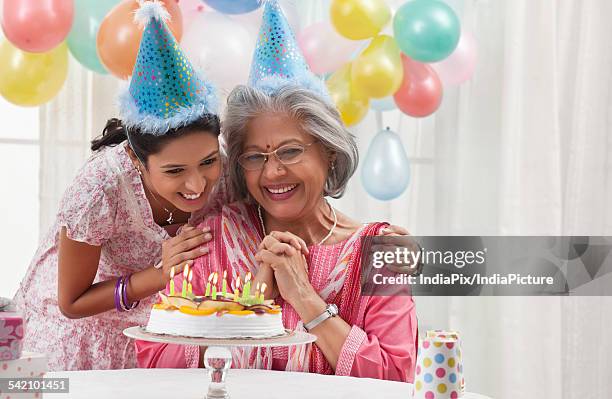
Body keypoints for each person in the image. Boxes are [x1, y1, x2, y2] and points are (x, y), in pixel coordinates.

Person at [136, 1, 418, 381]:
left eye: (289, 151)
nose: (272, 172)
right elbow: (153, 360)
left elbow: (397, 379)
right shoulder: (213, 238)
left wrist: (305, 299)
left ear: (329, 151)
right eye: (254, 157)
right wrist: (248, 307)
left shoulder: (380, 254)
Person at [13, 2, 221, 370]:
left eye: (208, 161)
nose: (196, 183)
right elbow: (72, 302)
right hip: (69, 338)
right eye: (174, 171)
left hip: (146, 335)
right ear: (138, 161)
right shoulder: (99, 188)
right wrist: (160, 275)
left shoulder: (222, 170)